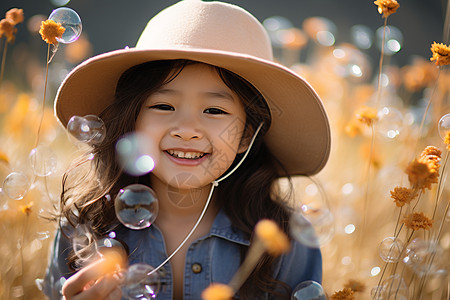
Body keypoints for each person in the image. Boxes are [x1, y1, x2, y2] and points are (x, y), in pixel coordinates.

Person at [44, 0, 331, 299]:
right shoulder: (84, 229)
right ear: (132, 124)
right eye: (164, 106)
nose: (186, 129)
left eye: (214, 110)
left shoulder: (286, 239)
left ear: (247, 135)